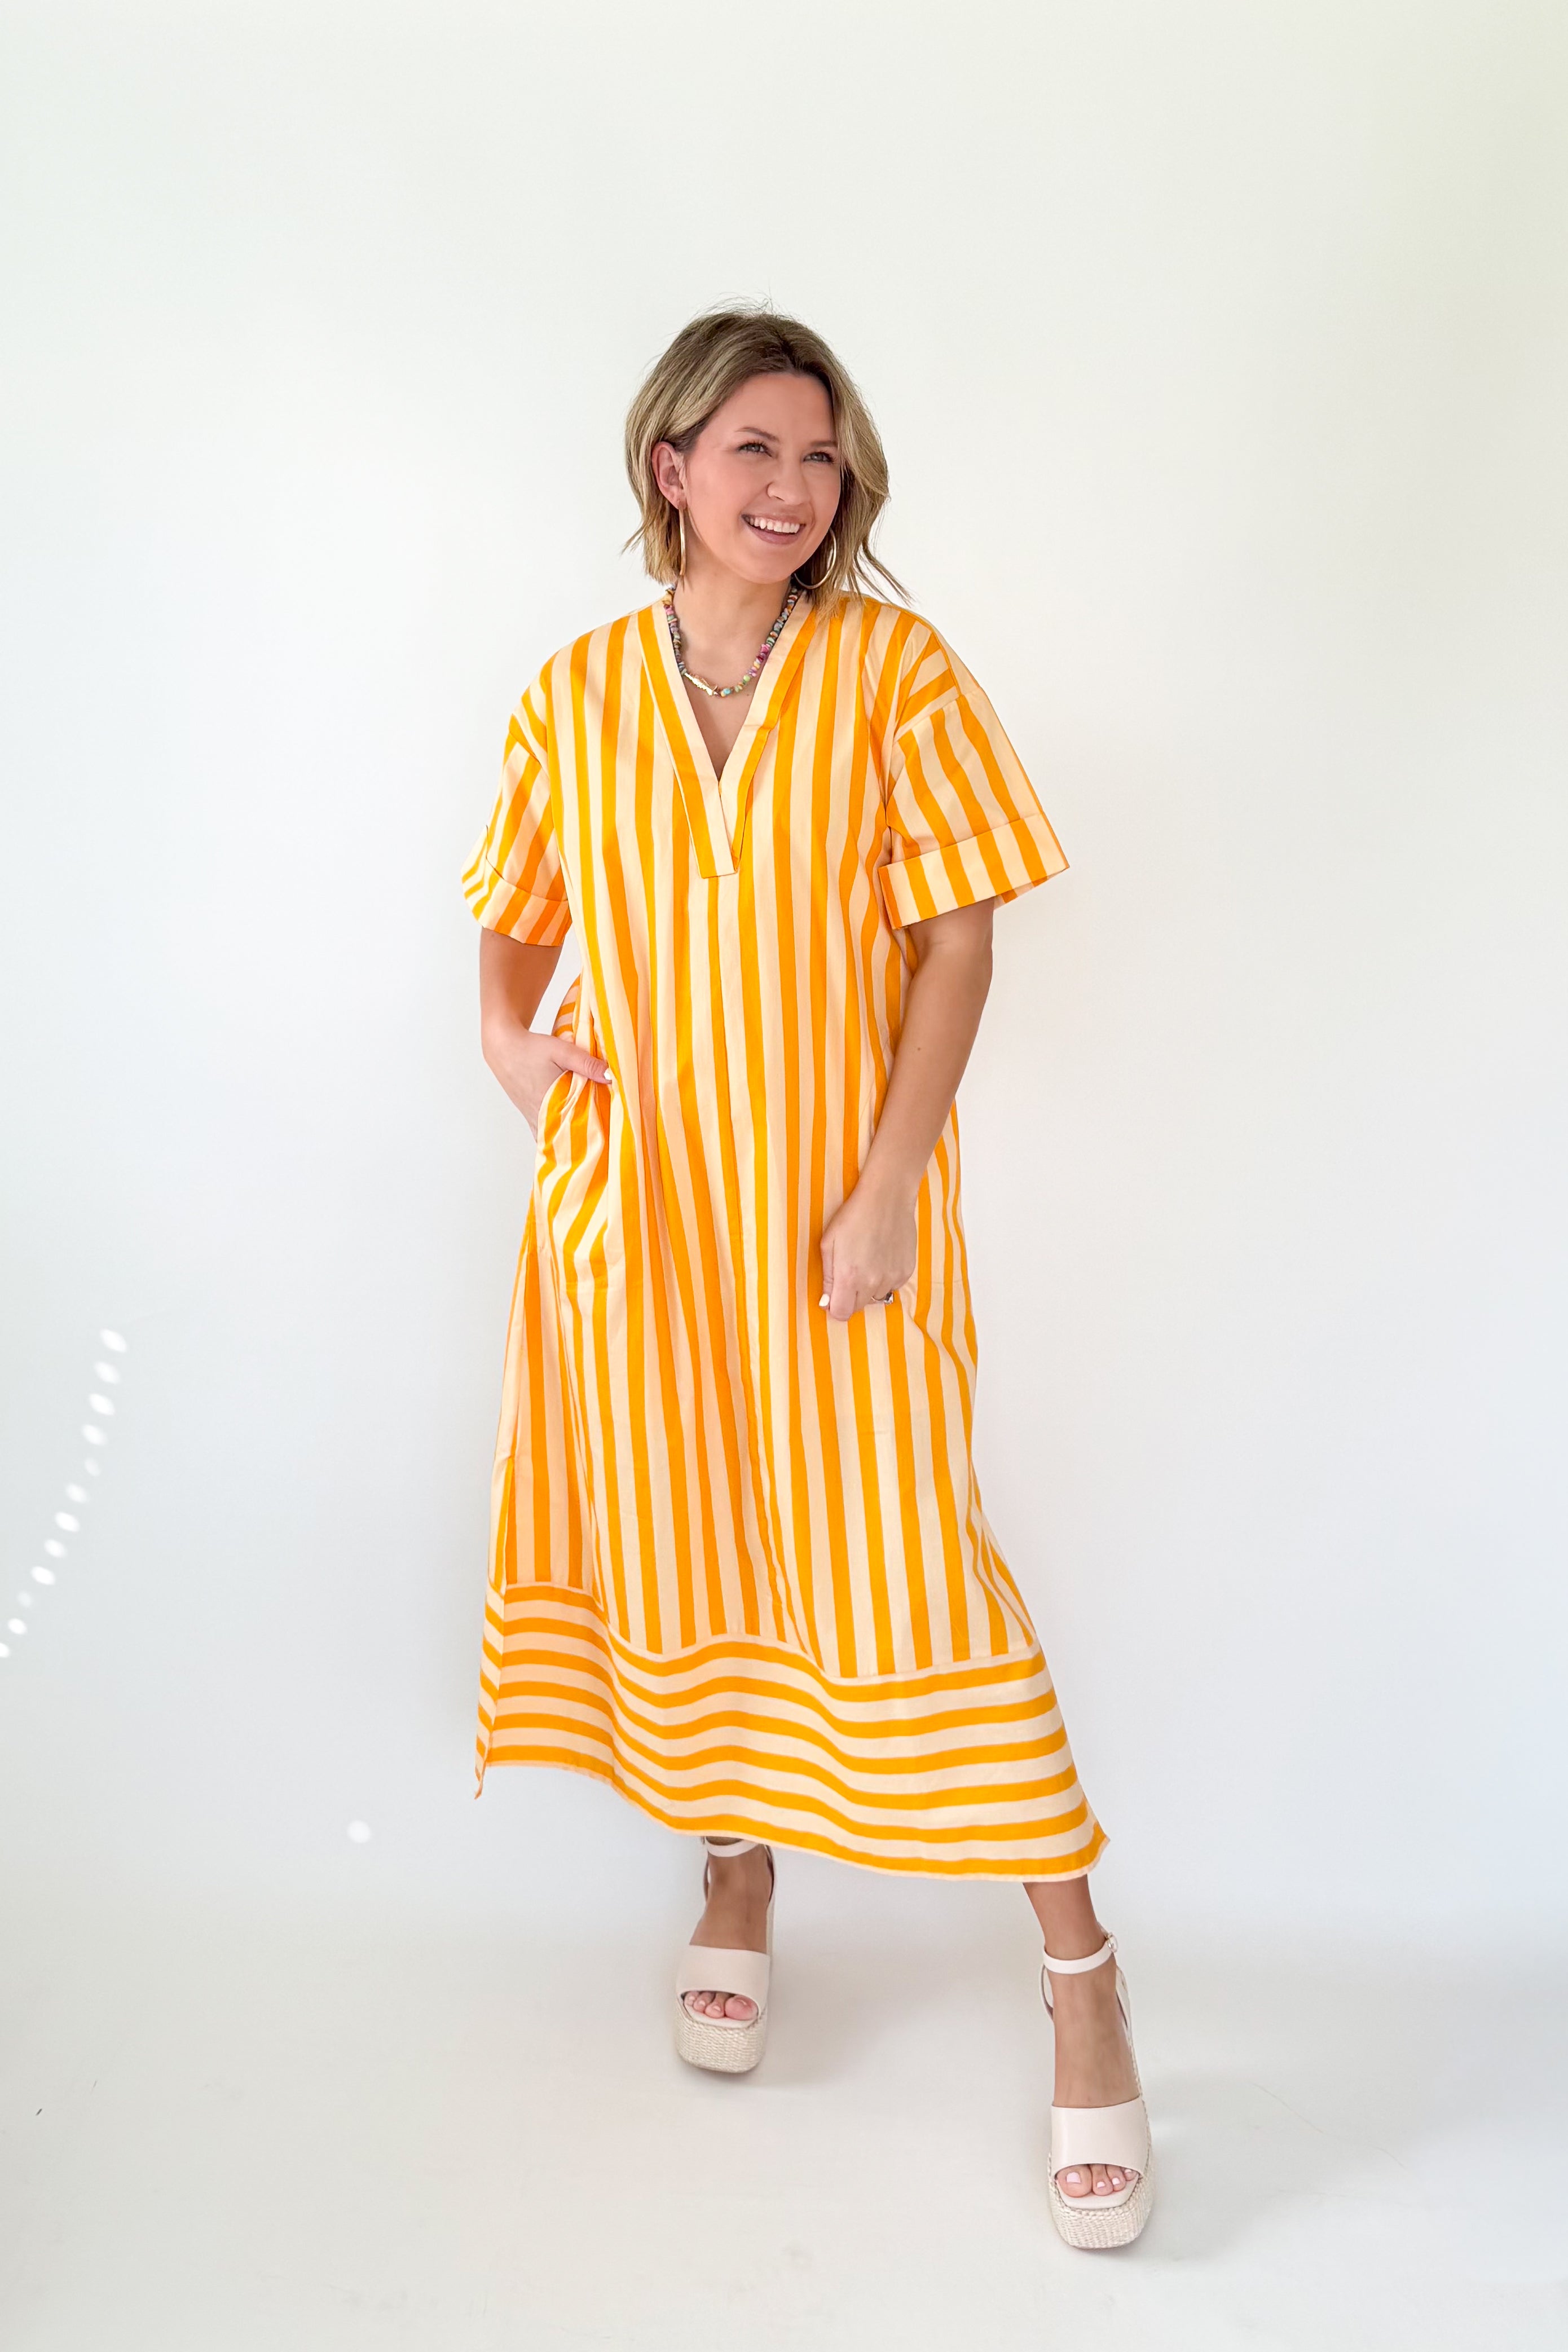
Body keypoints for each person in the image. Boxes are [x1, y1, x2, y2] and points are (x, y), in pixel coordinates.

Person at [464, 306, 1153, 2249]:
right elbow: (511, 923)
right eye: (754, 447)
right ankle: (737, 1872)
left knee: (906, 1557)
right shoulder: (575, 692)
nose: (791, 485)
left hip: (836, 1219)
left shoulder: (890, 671)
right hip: (637, 1216)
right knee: (689, 1530)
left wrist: (887, 1184)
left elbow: (960, 943)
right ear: (670, 466)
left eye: (821, 453)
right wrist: (514, 1048)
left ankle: (1082, 1976)